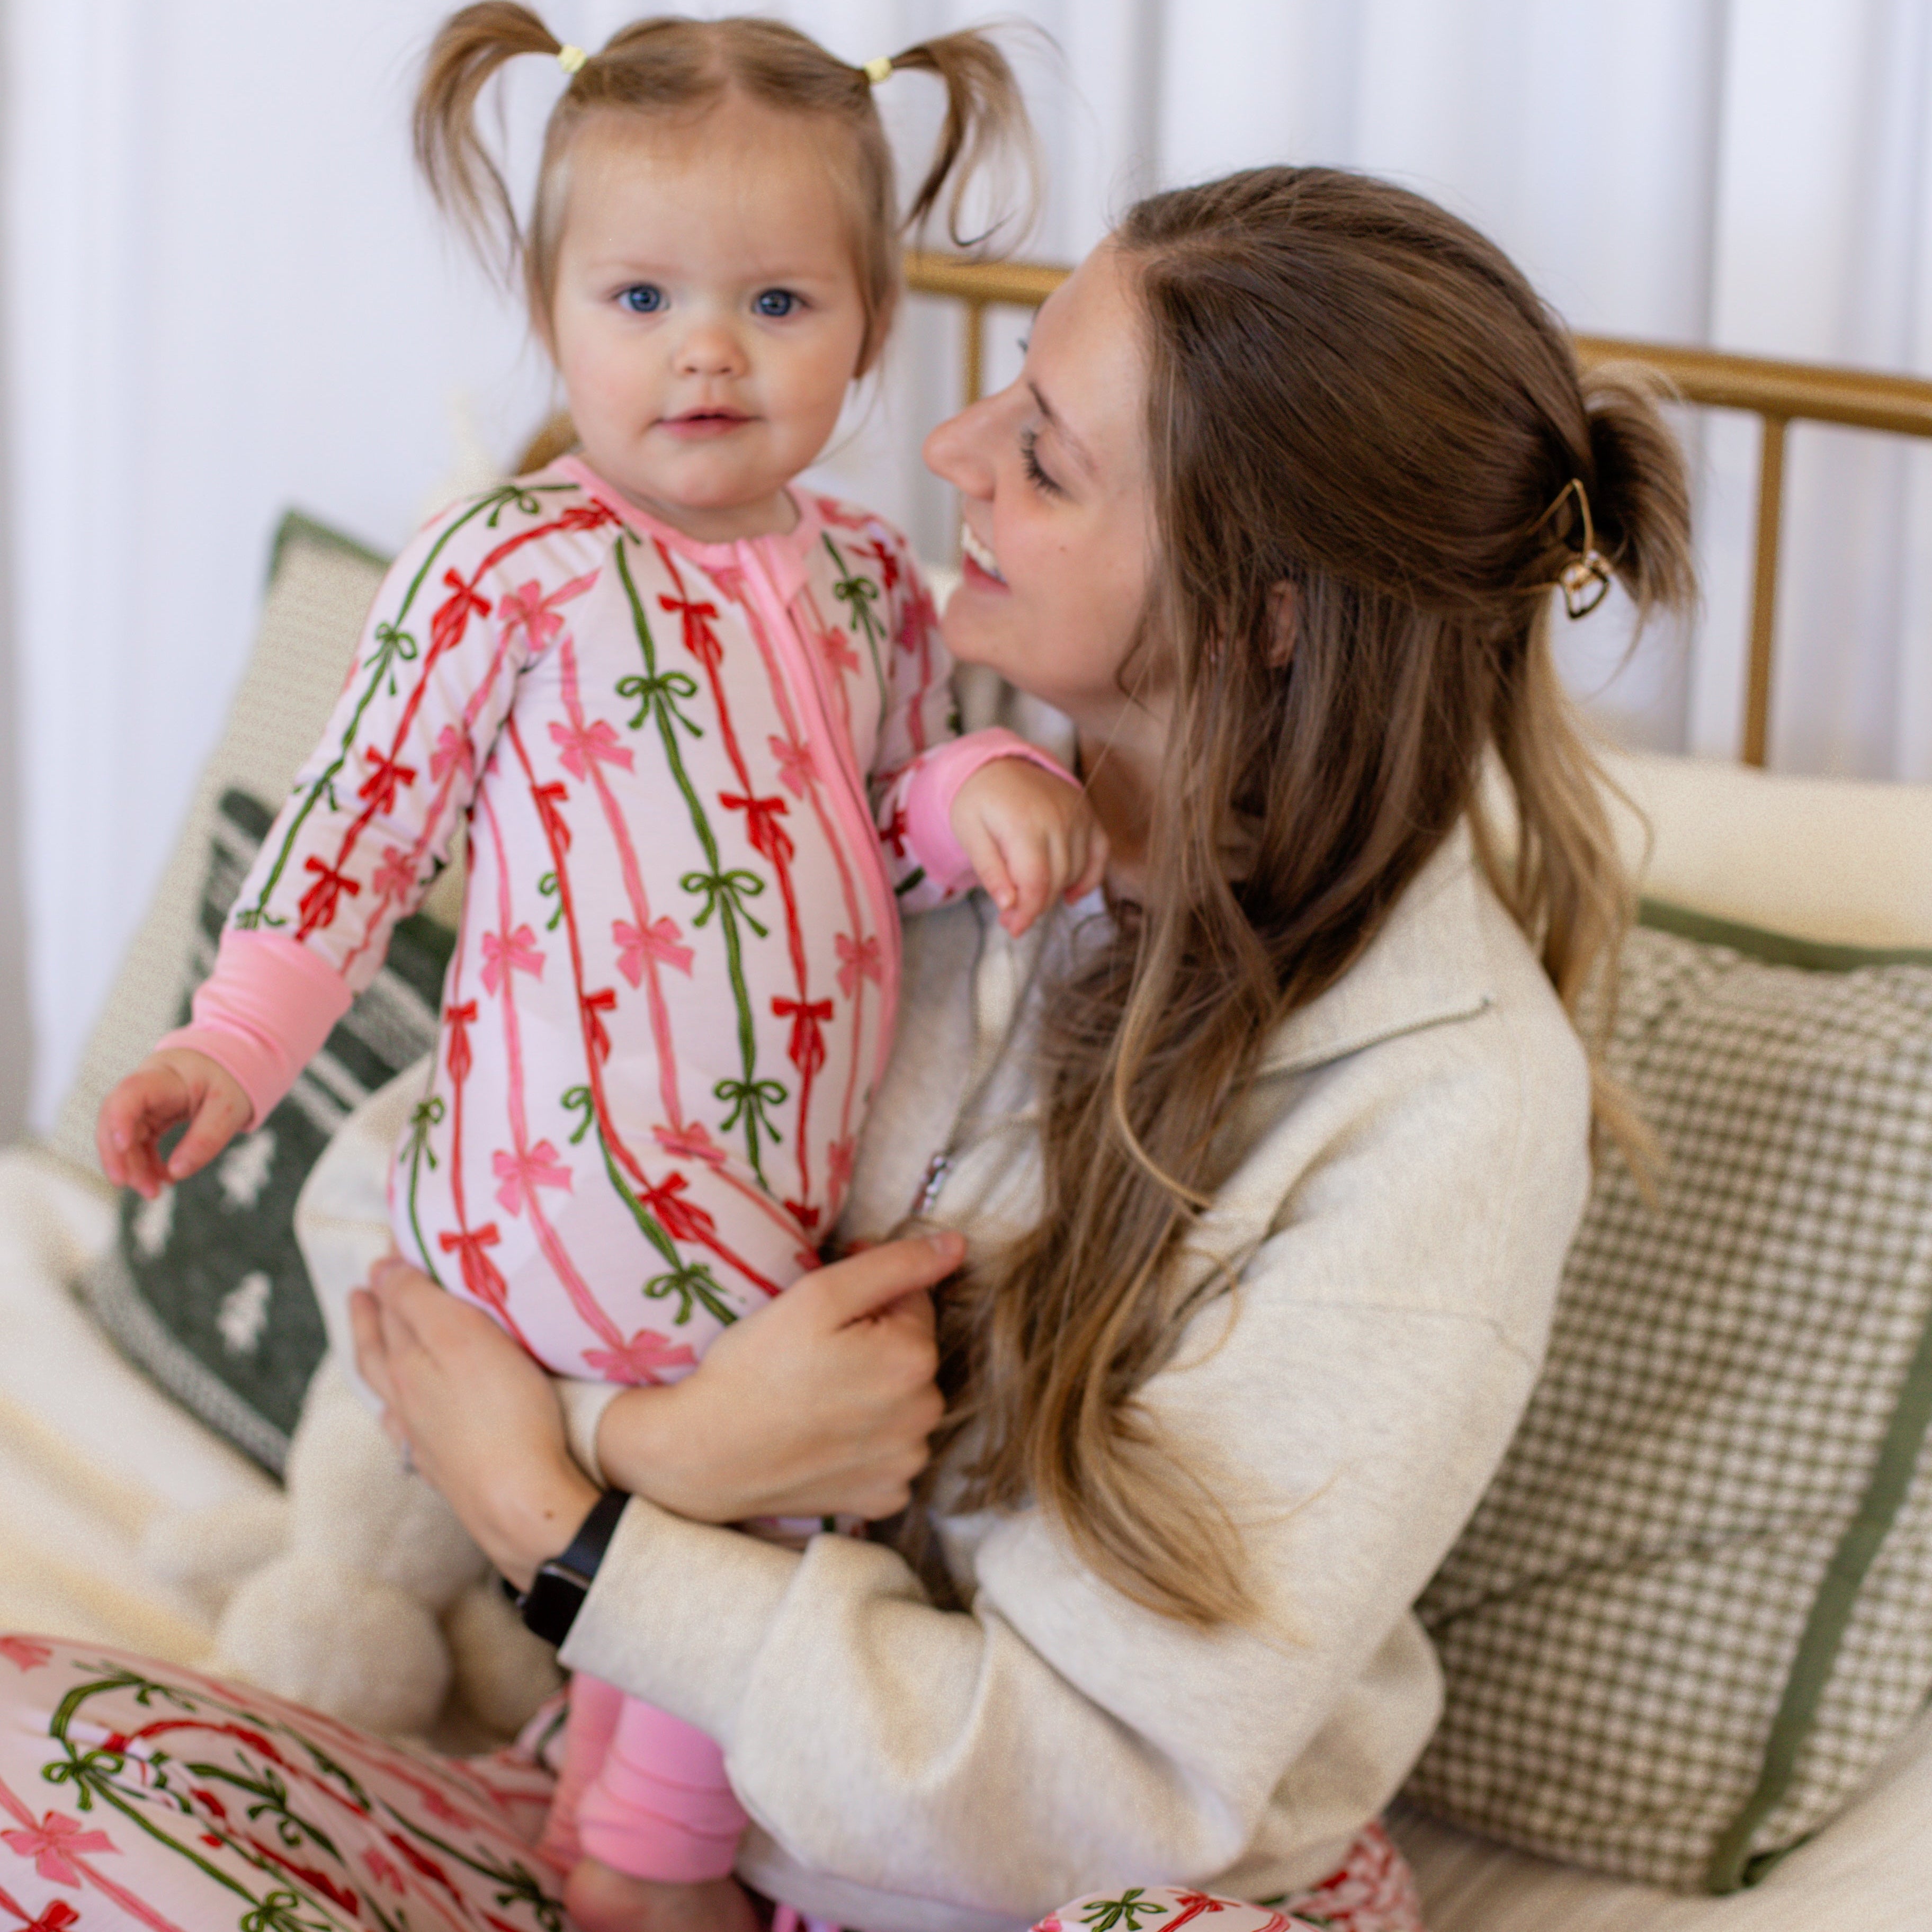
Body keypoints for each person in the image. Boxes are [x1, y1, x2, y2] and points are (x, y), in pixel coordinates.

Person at [3, 164, 1694, 1932]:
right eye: (1009, 388)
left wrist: (566, 1527)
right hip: (647, 1819)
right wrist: (655, 1446)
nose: (952, 450)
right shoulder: (896, 786)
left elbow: (1106, 1792)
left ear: (1261, 615)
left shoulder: (1448, 1107)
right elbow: (407, 1202)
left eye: (1046, 456)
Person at [87, 12, 1101, 1932]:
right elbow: (357, 821)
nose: (707, 350)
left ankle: (585, 1808)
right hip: (567, 1166)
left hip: (750, 1173)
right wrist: (229, 1045)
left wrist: (980, 786)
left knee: (759, 1450)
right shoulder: (512, 563)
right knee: (792, 1467)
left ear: (870, 329)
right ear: (555, 317)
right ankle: (655, 1865)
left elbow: (885, 825)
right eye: (641, 297)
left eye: (777, 301)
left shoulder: (873, 584)